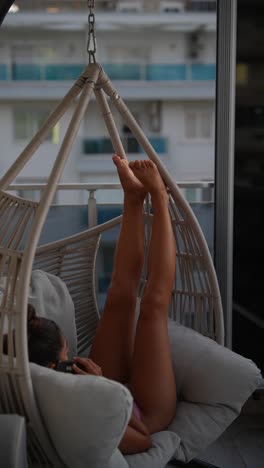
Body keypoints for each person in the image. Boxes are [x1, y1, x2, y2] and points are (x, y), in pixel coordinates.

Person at [5, 156, 177, 454]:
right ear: (50, 366)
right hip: (145, 414)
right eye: (68, 351)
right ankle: (160, 198)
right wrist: (103, 388)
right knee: (153, 305)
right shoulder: (83, 413)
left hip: (100, 384)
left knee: (119, 296)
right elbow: (145, 439)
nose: (71, 355)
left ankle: (133, 199)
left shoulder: (36, 375)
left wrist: (95, 379)